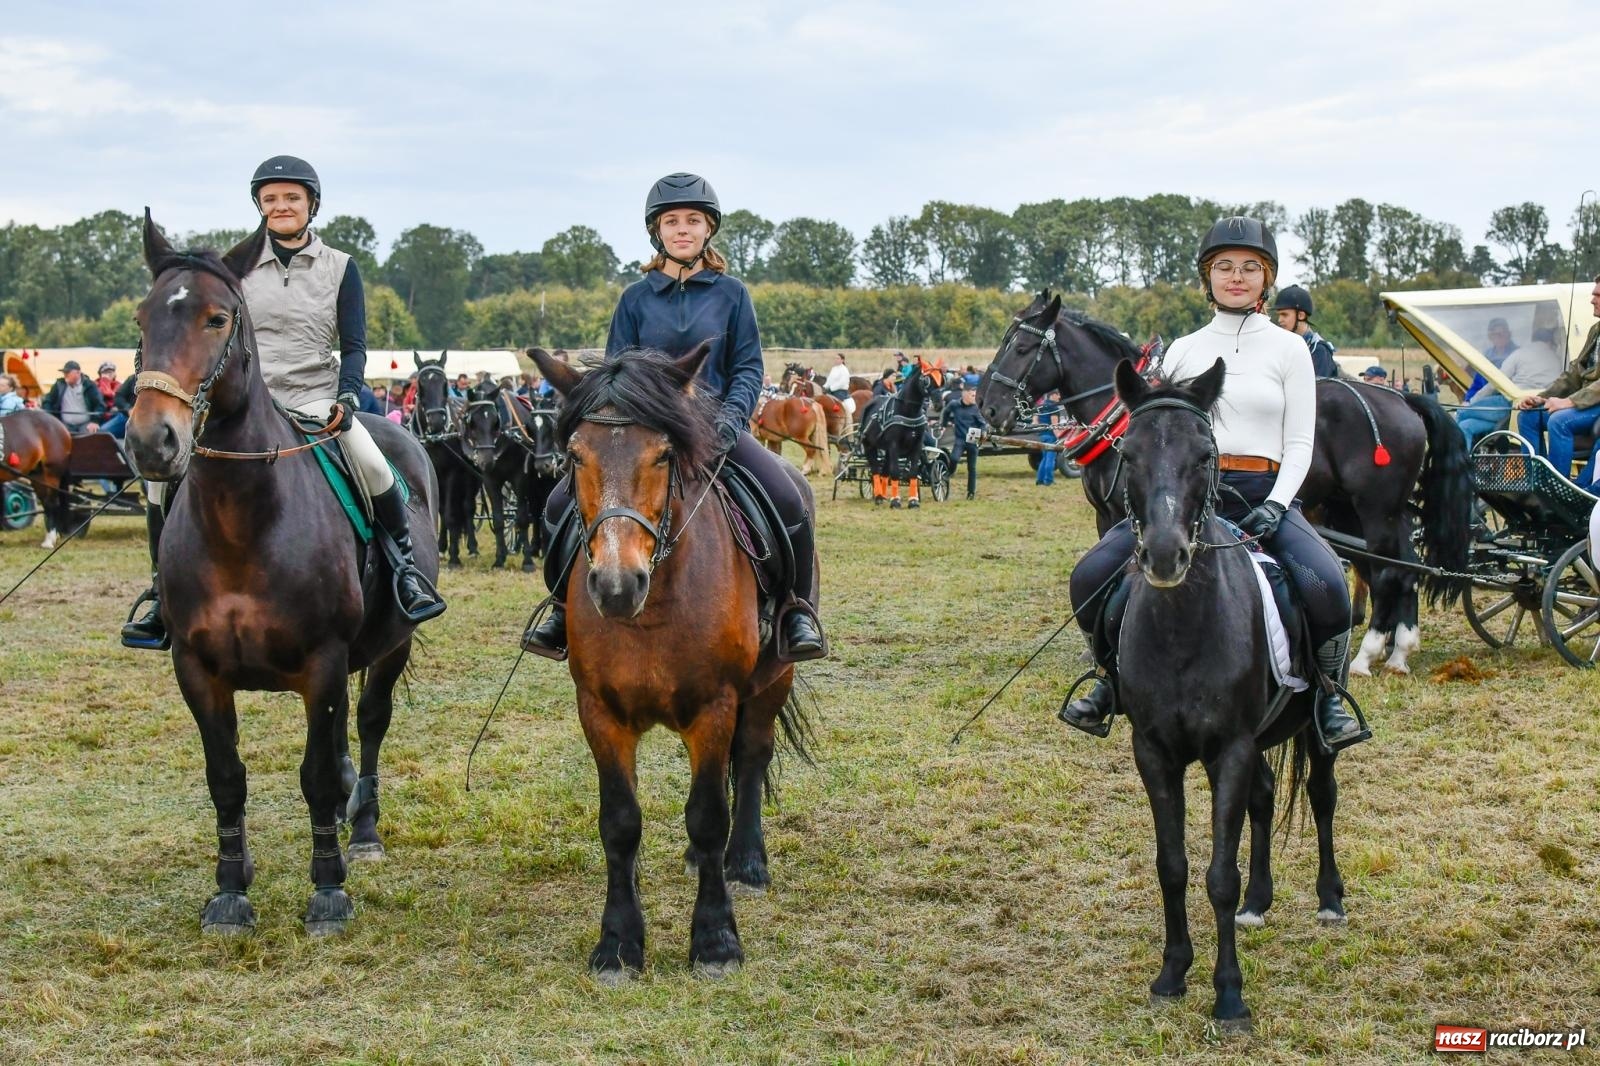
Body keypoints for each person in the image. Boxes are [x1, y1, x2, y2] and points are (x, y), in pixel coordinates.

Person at [1058, 216, 1367, 751]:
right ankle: (1108, 681)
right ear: (1208, 277)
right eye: (1224, 267)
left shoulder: (1291, 350)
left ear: (1266, 277)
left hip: (1263, 494)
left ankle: (1326, 696)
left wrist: (1277, 504)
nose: (1237, 277)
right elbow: (1159, 437)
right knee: (1091, 575)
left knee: (1328, 585)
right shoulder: (1182, 350)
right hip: (1188, 499)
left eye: (1250, 267)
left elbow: (1300, 443)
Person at [121, 154, 443, 650]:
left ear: (311, 204)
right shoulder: (235, 271)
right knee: (160, 488)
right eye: (270, 199)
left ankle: (404, 572)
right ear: (259, 207)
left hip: (315, 396)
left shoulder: (340, 267)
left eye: (291, 197)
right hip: (249, 402)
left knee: (375, 465)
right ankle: (161, 591)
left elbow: (354, 344)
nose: (281, 206)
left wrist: (346, 394)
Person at [521, 171, 826, 662]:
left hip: (715, 431)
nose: (682, 229)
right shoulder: (635, 298)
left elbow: (747, 367)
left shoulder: (732, 294)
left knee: (789, 496)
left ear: (709, 230)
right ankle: (560, 607)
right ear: (656, 231)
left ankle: (795, 611)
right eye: (671, 222)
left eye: (692, 221)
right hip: (644, 436)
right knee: (559, 505)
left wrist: (730, 421)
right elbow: (616, 373)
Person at [1515, 276, 1600, 482]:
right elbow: (1574, 373)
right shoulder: (1596, 330)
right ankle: (1536, 480)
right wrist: (1541, 398)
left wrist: (1569, 402)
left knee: (1559, 421)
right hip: (1585, 402)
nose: (1592, 299)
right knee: (1528, 416)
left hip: (1595, 403)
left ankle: (1557, 486)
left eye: (1598, 295)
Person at [1457, 327, 1562, 449]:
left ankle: (1456, 465)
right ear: (1550, 342)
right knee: (1465, 426)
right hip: (1530, 409)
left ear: (1533, 340)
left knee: (1460, 413)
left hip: (1509, 404)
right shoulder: (1556, 360)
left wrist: (1471, 402)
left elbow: (1496, 383)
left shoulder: (1519, 354)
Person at [1271, 285, 1339, 379]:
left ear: (1301, 315)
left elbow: (1320, 390)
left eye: (1284, 315)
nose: (1279, 320)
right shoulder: (1281, 347)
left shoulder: (1319, 351)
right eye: (1279, 315)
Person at [941, 381, 985, 499]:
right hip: (960, 438)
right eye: (972, 395)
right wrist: (944, 424)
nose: (974, 398)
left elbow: (983, 424)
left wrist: (980, 438)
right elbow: (946, 412)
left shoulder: (976, 408)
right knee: (954, 458)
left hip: (972, 438)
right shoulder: (954, 404)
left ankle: (971, 492)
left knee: (972, 468)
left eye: (975, 396)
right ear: (964, 394)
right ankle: (950, 472)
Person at [41, 360, 105, 433]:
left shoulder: (89, 385)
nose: (65, 375)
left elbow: (100, 405)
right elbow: (47, 401)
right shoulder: (59, 385)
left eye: (68, 372)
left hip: (86, 424)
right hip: (64, 424)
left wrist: (95, 421)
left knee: (89, 438)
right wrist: (51, 419)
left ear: (78, 373)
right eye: (64, 373)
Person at [1035, 390, 1062, 486]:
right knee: (1050, 459)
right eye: (1058, 395)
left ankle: (1040, 479)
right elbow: (1054, 425)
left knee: (1044, 458)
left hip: (1042, 435)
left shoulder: (1040, 406)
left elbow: (1035, 422)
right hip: (1051, 436)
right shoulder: (1053, 407)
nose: (1059, 397)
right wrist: (1059, 436)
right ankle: (1048, 480)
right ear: (1053, 395)